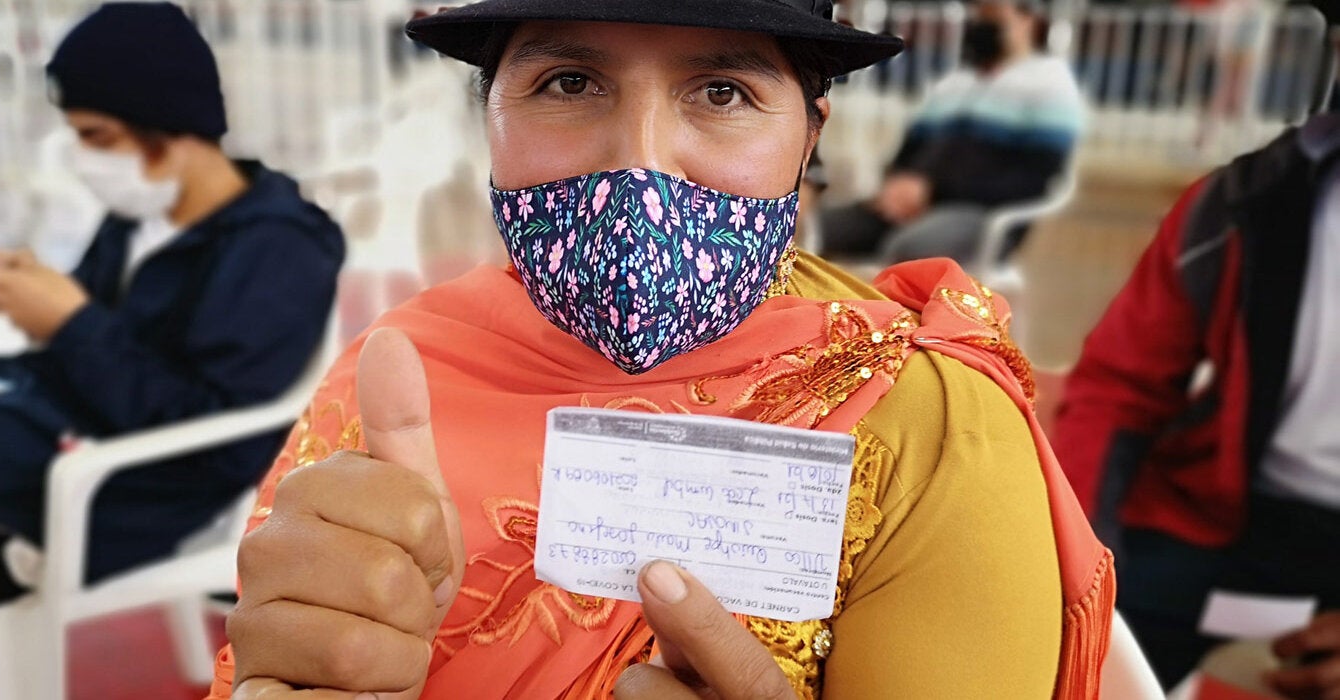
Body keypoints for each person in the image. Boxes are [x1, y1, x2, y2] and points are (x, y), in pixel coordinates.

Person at [212, 1, 1113, 699]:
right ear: (486, 117)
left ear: (810, 137)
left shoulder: (925, 421)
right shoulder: (403, 373)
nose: (638, 166)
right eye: (570, 82)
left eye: (722, 93)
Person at [0, 2, 344, 692]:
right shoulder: (143, 217)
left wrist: (70, 321)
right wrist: (41, 296)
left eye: (96, 136)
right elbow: (85, 340)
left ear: (172, 132)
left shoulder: (278, 249)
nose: (83, 158)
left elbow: (209, 437)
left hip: (106, 492)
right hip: (23, 445)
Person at [1055, 112, 1340, 693]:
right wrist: (1077, 568)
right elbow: (1117, 386)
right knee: (1064, 657)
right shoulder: (1248, 197)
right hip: (1225, 513)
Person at [817, 0, 1086, 264]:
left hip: (984, 214)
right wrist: (898, 187)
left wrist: (933, 192)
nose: (981, 23)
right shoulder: (953, 84)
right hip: (911, 205)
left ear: (1028, 20)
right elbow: (908, 152)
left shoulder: (1051, 85)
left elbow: (1034, 178)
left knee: (911, 248)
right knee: (814, 229)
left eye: (992, 14)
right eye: (978, 14)